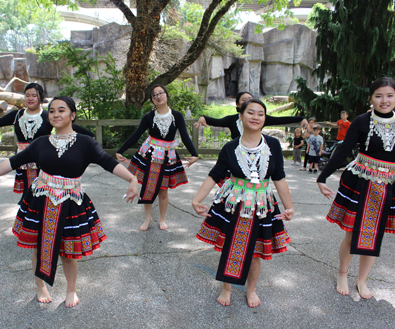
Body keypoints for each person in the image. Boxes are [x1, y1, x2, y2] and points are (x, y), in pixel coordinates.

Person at [0, 96, 138, 307]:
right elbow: (14, 161)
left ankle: (71, 289)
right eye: (52, 111)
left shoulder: (86, 142)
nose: (56, 114)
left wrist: (131, 178)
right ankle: (40, 286)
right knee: (38, 246)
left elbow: (107, 162)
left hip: (71, 201)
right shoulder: (40, 142)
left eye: (61, 110)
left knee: (69, 251)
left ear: (72, 115)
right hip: (40, 200)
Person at [192, 99, 294, 308]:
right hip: (234, 204)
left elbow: (279, 177)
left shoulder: (273, 145)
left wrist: (289, 206)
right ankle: (226, 288)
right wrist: (196, 200)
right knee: (229, 247)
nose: (256, 117)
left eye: (260, 114)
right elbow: (215, 175)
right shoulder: (230, 147)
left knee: (255, 253)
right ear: (241, 116)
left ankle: (251, 289)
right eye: (251, 113)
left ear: (265, 119)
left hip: (262, 205)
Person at [317, 77, 395, 300]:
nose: (384, 100)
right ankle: (343, 274)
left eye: (390, 95)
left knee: (374, 235)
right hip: (361, 182)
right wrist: (322, 178)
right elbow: (342, 152)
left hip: (388, 186)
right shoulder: (361, 121)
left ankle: (362, 280)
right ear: (371, 98)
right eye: (379, 95)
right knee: (351, 235)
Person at [0, 83, 94, 203]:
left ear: (40, 98)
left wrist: (89, 137)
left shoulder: (47, 115)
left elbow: (69, 126)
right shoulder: (16, 115)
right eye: (27, 95)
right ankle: (28, 213)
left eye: (34, 95)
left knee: (41, 191)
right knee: (27, 191)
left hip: (43, 157)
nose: (30, 98)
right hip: (22, 160)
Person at [116, 84, 198, 231]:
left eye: (161, 93)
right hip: (150, 154)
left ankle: (162, 219)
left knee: (163, 190)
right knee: (148, 186)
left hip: (167, 155)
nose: (158, 96)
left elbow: (185, 136)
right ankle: (147, 218)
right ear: (152, 100)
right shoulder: (149, 117)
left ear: (166, 95)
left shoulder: (177, 116)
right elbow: (136, 135)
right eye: (154, 95)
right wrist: (120, 150)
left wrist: (195, 154)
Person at [194, 91, 307, 139]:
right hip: (236, 155)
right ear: (238, 104)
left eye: (250, 99)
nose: (248, 101)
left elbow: (282, 120)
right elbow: (216, 121)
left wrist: (302, 118)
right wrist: (202, 117)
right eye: (244, 99)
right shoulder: (231, 120)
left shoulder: (260, 119)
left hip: (256, 155)